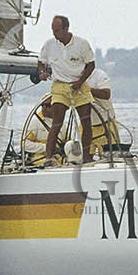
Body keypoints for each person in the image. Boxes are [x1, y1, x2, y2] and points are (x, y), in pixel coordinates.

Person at [36, 15, 95, 164]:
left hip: (79, 84)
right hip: (59, 86)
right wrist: (42, 72)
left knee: (86, 122)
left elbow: (91, 65)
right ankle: (49, 158)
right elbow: (41, 62)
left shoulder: (82, 44)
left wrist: (80, 81)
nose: (54, 33)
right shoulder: (49, 44)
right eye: (53, 30)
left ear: (66, 29)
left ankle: (87, 157)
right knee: (57, 123)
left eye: (57, 30)